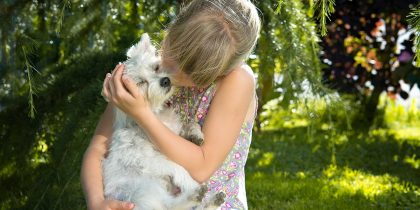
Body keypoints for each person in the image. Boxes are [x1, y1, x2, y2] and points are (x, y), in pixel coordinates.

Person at [81, 0, 261, 209]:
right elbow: (98, 147)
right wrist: (97, 202)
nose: (170, 72)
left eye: (191, 73)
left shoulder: (237, 81)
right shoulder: (146, 70)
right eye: (172, 52)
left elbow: (202, 167)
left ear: (221, 71)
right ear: (172, 29)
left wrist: (142, 114)